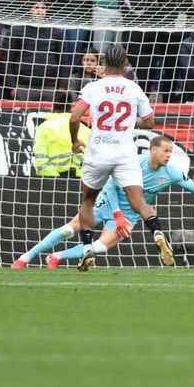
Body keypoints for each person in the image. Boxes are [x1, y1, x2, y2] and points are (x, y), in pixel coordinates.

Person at [14, 136, 194, 268]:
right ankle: (25, 258)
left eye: (171, 151)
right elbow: (109, 185)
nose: (168, 155)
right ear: (152, 151)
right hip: (107, 202)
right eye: (165, 150)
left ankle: (56, 257)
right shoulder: (132, 163)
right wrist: (114, 213)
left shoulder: (173, 172)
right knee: (68, 229)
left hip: (130, 215)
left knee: (103, 246)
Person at [69, 45, 170, 271]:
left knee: (88, 201)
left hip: (98, 153)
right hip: (124, 154)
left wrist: (75, 140)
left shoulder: (93, 87)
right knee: (138, 202)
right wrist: (129, 122)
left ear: (104, 63)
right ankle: (158, 232)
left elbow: (75, 117)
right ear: (125, 64)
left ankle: (87, 249)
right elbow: (149, 122)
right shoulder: (134, 88)